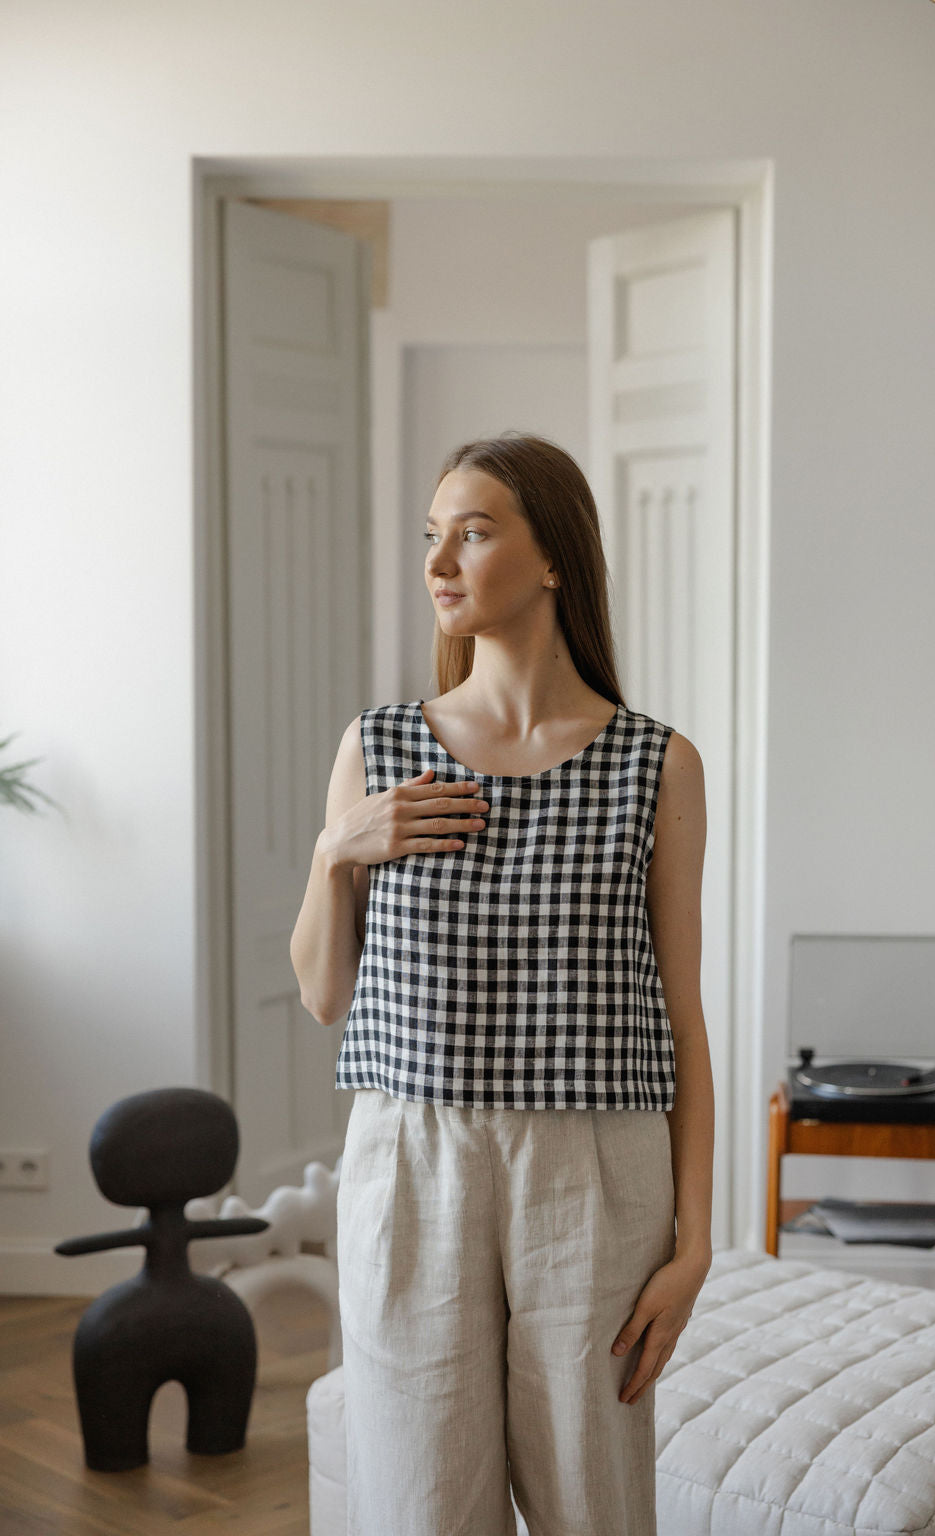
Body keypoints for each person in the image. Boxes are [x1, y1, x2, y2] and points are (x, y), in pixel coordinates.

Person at [290, 432, 714, 1536]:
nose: (440, 561)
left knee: (593, 1506)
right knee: (418, 1506)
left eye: (473, 534)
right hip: (410, 1161)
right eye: (433, 536)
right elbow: (325, 996)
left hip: (596, 1167)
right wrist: (336, 851)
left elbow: (680, 1014)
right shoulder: (380, 747)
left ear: (555, 557)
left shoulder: (655, 765)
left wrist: (695, 1242)